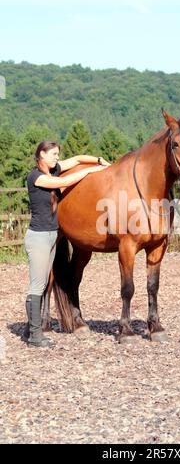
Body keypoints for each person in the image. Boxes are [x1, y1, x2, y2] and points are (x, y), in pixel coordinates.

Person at [24, 140, 110, 348]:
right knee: (37, 284)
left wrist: (99, 161)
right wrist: (91, 172)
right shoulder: (36, 177)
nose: (57, 158)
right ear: (41, 155)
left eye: (58, 154)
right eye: (53, 154)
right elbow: (64, 182)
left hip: (51, 236)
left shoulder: (54, 170)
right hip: (39, 237)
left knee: (44, 280)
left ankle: (33, 328)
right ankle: (34, 333)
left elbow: (79, 159)